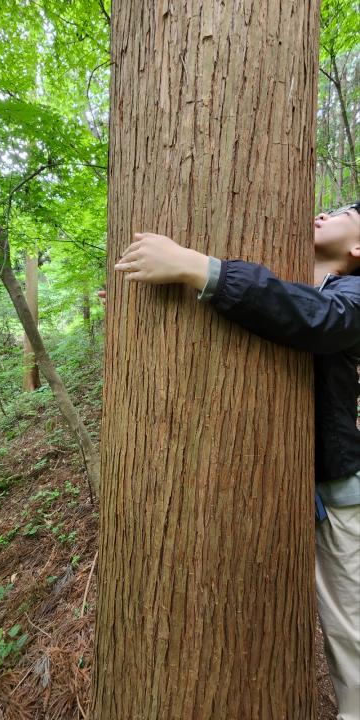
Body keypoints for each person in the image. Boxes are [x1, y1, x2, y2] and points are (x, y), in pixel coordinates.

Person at [102, 201, 360, 720]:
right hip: (295, 489)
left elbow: (316, 319)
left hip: (342, 494)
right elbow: (283, 310)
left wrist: (203, 269)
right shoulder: (306, 285)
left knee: (350, 626)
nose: (321, 214)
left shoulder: (350, 296)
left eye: (343, 212)